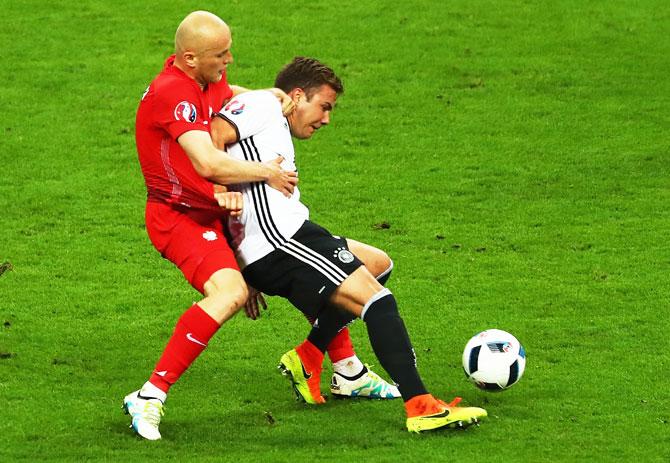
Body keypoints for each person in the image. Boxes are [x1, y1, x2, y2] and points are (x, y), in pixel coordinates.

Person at [125, 10, 395, 441]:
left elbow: (227, 94)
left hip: (217, 208)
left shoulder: (203, 79)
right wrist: (265, 172)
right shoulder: (171, 94)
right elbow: (208, 161)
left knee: (316, 272)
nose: (229, 58)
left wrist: (266, 95)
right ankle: (150, 395)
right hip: (180, 217)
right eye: (221, 54)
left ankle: (347, 370)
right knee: (231, 292)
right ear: (190, 57)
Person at [213, 57, 488, 432]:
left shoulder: (269, 111)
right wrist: (220, 194)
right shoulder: (263, 106)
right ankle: (421, 405)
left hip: (292, 231)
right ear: (296, 96)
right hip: (280, 240)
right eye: (324, 106)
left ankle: (309, 357)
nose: (326, 118)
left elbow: (223, 109)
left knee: (379, 264)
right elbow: (214, 133)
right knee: (376, 300)